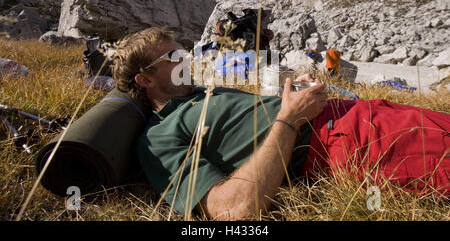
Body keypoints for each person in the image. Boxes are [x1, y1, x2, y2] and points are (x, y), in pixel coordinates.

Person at [112, 27, 450, 220]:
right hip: (343, 141)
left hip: (359, 112)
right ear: (145, 80)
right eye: (173, 57)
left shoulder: (199, 91)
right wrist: (290, 118)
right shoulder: (158, 139)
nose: (186, 58)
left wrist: (297, 92)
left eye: (183, 50)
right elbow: (234, 211)